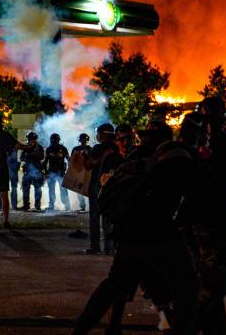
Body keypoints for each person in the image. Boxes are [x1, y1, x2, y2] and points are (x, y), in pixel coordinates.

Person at [73, 126, 199, 335]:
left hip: (129, 236)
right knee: (186, 285)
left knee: (115, 286)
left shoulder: (134, 160)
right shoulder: (174, 159)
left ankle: (82, 330)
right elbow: (192, 197)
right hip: (160, 234)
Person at [187, 96, 226, 335]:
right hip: (213, 220)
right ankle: (191, 324)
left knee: (201, 276)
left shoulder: (190, 143)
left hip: (191, 220)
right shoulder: (225, 141)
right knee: (216, 279)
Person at [84, 123, 120, 255]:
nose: (98, 136)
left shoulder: (98, 148)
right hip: (114, 185)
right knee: (109, 217)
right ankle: (110, 248)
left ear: (103, 134)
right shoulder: (119, 147)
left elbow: (89, 165)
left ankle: (95, 247)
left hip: (97, 185)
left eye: (99, 133)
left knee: (95, 217)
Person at [43, 133, 71, 211]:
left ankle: (66, 205)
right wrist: (45, 172)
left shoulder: (62, 148)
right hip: (52, 172)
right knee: (53, 189)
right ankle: (54, 205)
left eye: (54, 140)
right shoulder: (49, 149)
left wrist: (70, 171)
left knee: (61, 189)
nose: (53, 141)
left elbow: (69, 160)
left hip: (60, 172)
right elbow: (45, 161)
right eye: (53, 140)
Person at [20, 131, 45, 211]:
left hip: (37, 171)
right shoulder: (26, 147)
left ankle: (37, 206)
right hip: (27, 171)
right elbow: (21, 158)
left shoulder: (39, 147)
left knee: (37, 189)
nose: (32, 141)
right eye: (31, 139)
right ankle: (26, 205)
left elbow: (41, 157)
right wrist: (30, 154)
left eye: (33, 139)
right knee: (26, 189)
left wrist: (30, 155)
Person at [71, 133, 92, 211]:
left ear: (87, 140)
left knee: (89, 189)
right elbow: (72, 160)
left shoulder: (90, 148)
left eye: (84, 139)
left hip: (87, 171)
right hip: (79, 171)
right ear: (79, 140)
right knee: (79, 189)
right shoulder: (76, 148)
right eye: (82, 138)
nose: (83, 140)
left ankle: (91, 206)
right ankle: (82, 206)